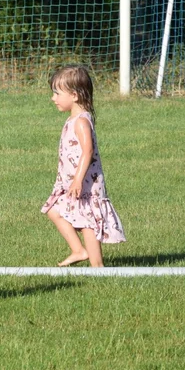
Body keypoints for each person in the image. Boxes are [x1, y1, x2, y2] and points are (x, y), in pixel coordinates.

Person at [41, 65, 125, 267]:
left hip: (85, 183)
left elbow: (87, 151)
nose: (53, 98)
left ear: (74, 95)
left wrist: (78, 179)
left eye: (57, 93)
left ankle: (97, 266)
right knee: (54, 210)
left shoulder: (81, 121)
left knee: (87, 223)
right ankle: (79, 250)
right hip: (71, 182)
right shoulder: (73, 119)